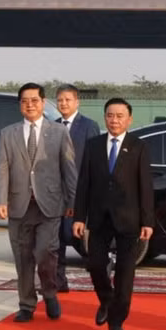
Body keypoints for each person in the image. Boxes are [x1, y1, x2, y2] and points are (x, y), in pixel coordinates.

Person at [0, 82, 76, 322]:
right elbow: (2, 169)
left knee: (45, 253)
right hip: (19, 204)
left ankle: (49, 292)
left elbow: (69, 169)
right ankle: (26, 305)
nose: (29, 105)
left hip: (49, 204)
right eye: (24, 101)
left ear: (43, 103)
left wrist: (73, 201)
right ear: (20, 105)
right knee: (22, 257)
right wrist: (0, 199)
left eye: (34, 100)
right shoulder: (8, 133)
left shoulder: (59, 132)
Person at [73, 98, 154, 330]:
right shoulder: (93, 145)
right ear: (105, 117)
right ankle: (107, 300)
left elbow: (145, 187)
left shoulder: (138, 147)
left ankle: (117, 322)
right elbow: (84, 183)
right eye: (110, 115)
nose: (114, 120)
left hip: (129, 220)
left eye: (119, 116)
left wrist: (147, 221)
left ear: (129, 119)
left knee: (125, 275)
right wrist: (79, 217)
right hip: (99, 218)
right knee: (96, 265)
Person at [54, 84, 100, 292]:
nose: (63, 103)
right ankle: (58, 281)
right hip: (55, 193)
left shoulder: (89, 126)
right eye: (60, 100)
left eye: (68, 100)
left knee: (75, 236)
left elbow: (94, 160)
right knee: (55, 240)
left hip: (79, 193)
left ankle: (100, 270)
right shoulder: (52, 126)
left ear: (77, 102)